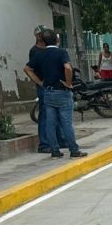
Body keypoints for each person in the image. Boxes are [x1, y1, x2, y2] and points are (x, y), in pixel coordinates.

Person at [24, 28, 87, 159]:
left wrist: (40, 82)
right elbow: (68, 68)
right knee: (66, 123)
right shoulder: (61, 52)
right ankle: (74, 150)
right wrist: (68, 83)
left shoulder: (39, 54)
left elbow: (27, 69)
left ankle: (55, 151)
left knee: (50, 123)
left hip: (48, 92)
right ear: (56, 39)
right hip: (62, 92)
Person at [30, 25, 68, 153]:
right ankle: (44, 144)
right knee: (45, 116)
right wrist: (39, 82)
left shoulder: (48, 50)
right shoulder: (36, 51)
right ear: (39, 36)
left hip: (54, 86)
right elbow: (29, 69)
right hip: (45, 87)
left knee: (56, 115)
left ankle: (60, 140)